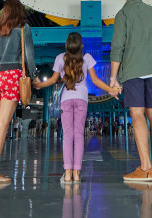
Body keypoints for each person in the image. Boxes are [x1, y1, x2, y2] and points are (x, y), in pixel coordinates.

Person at [34, 32, 120, 184]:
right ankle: (77, 174)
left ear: (67, 46)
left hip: (66, 99)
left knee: (68, 135)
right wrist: (110, 89)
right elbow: (95, 80)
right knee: (79, 135)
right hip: (81, 99)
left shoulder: (60, 58)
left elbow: (54, 80)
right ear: (82, 46)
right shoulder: (87, 58)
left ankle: (67, 174)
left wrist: (39, 84)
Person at [110, 0, 152, 182]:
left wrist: (112, 77)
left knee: (136, 114)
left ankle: (145, 168)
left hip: (134, 69)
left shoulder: (123, 14)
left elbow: (117, 47)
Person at [0, 0, 35, 184]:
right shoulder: (23, 28)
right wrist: (33, 76)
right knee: (1, 126)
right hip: (12, 76)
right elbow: (28, 54)